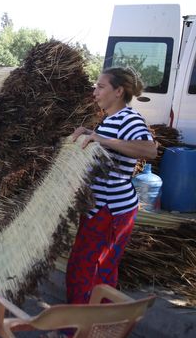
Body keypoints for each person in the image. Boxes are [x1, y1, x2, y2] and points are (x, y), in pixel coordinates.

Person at [68, 67, 158, 305]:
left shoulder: (130, 118)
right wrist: (90, 133)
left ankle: (90, 329)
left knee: (96, 272)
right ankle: (79, 328)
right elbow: (110, 147)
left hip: (111, 210)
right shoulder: (111, 119)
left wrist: (100, 138)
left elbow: (149, 150)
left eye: (100, 86)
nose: (94, 91)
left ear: (118, 91)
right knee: (82, 266)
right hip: (97, 207)